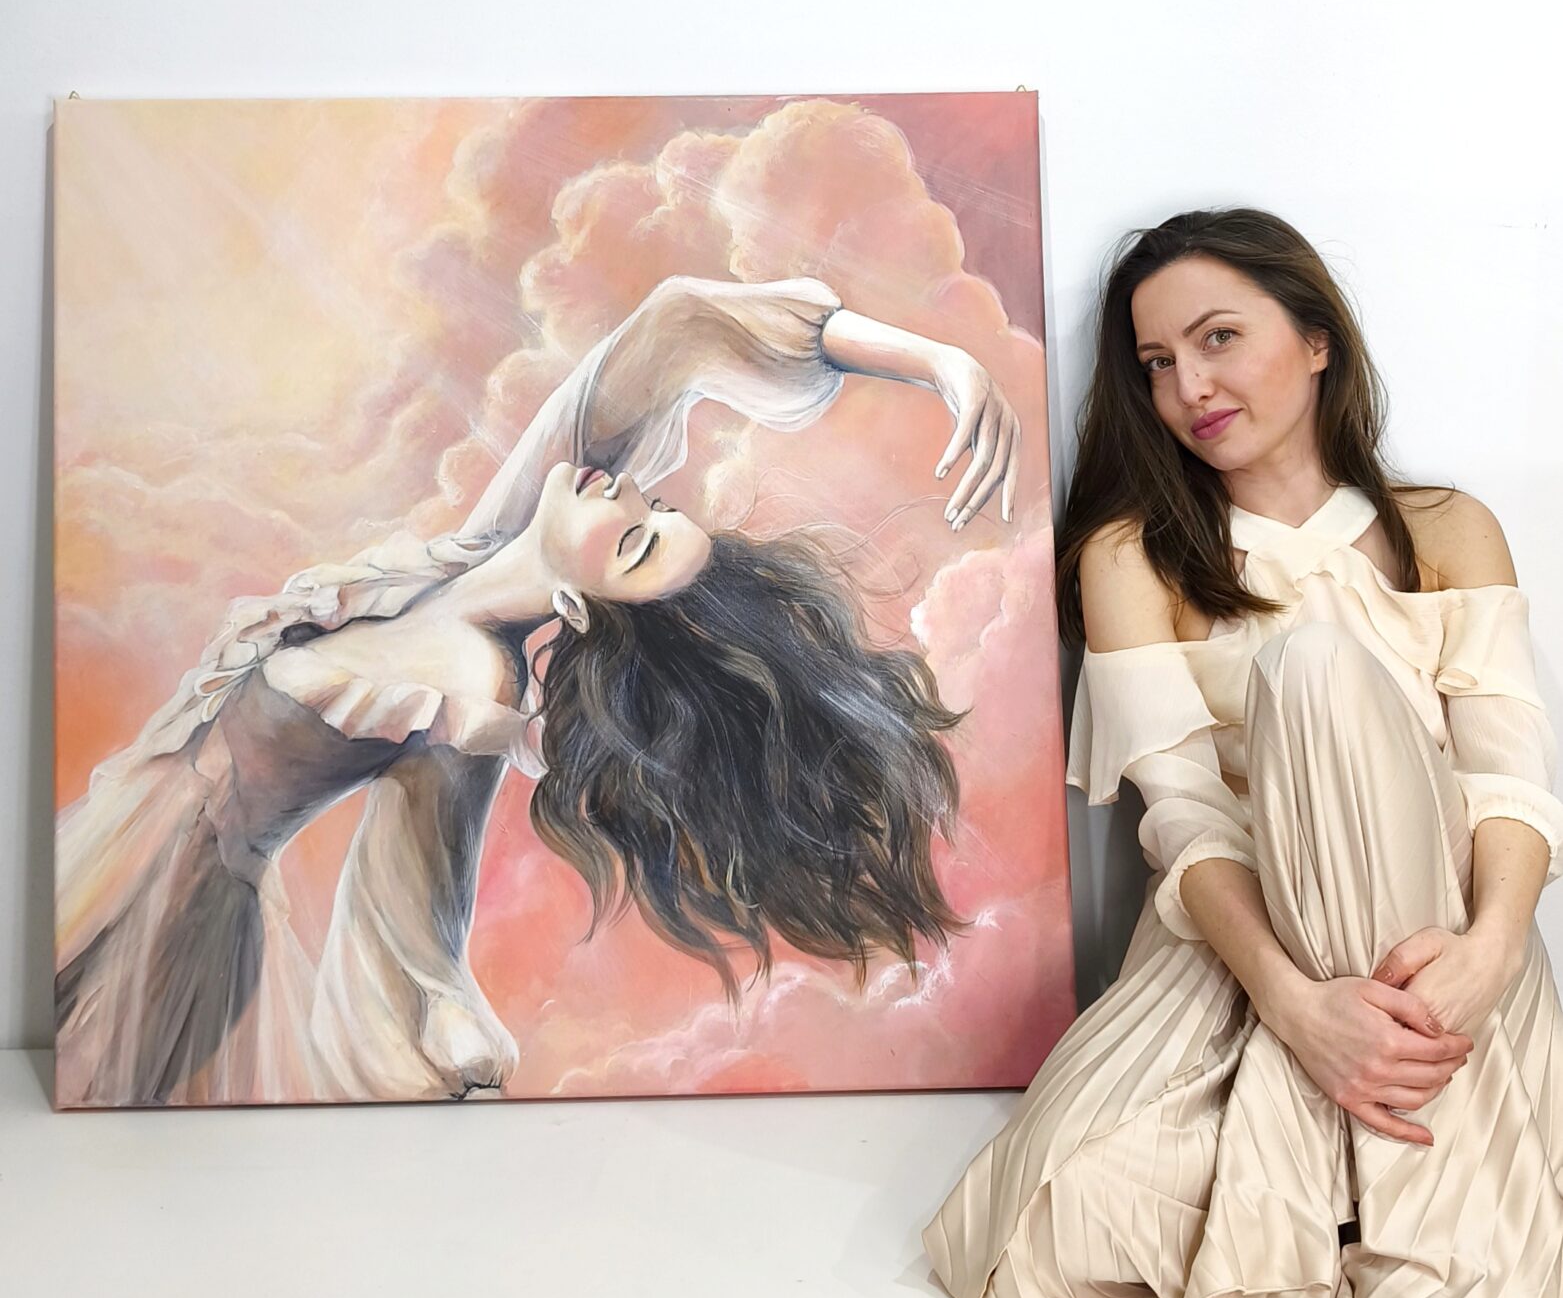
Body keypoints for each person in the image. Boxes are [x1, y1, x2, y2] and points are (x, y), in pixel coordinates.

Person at [56, 272, 1021, 1109]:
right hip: (127, 828)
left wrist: (447, 1020)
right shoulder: (504, 535)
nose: (630, 490)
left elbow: (416, 900)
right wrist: (938, 363)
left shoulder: (471, 691)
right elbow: (678, 320)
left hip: (160, 911)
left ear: (583, 610)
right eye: (658, 505)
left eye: (635, 541)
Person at [921, 208, 1563, 1298]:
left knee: (1319, 671)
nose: (1190, 388)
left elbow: (1511, 781)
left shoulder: (1446, 527)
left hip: (1444, 939)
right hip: (1245, 946)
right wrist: (1296, 1007)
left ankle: (1417, 1243)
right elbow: (1187, 822)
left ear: (1317, 341)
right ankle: (1379, 1198)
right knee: (1044, 1226)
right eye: (1158, 363)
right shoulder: (1133, 554)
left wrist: (1488, 952)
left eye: (1219, 338)